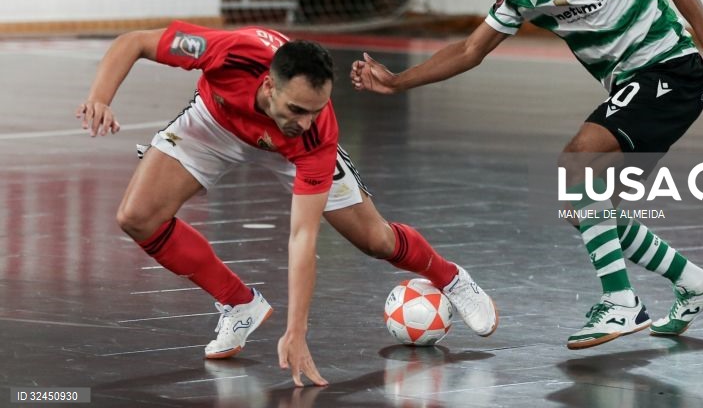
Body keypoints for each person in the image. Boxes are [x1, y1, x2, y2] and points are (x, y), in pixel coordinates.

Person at [351, 0, 703, 350]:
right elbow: (470, 49)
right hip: (633, 86)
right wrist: (398, 81)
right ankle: (697, 284)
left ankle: (620, 301)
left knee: (575, 161)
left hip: (669, 67)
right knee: (587, 211)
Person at [75, 20, 497, 387]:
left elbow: (302, 236)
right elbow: (134, 42)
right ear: (268, 84)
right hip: (216, 121)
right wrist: (100, 96)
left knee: (374, 240)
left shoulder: (312, 133)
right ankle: (239, 303)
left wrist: (297, 331)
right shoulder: (230, 53)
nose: (306, 120)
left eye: (316, 109)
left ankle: (450, 277)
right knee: (137, 217)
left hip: (291, 152)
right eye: (298, 108)